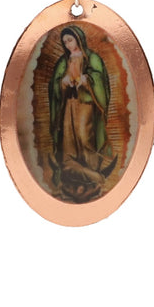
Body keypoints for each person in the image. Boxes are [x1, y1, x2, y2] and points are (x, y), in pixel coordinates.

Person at [48, 26, 115, 202]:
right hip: (68, 104)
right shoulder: (63, 61)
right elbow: (55, 84)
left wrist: (87, 80)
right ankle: (80, 176)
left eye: (70, 40)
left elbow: (99, 78)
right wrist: (62, 83)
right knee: (68, 139)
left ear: (78, 38)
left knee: (85, 137)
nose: (68, 45)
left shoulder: (92, 58)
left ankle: (91, 173)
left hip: (86, 103)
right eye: (65, 42)